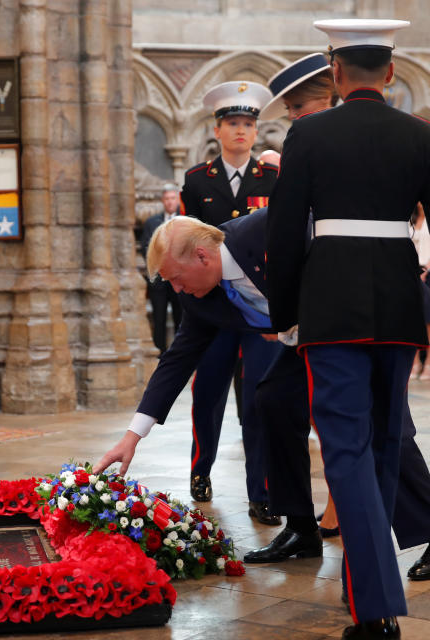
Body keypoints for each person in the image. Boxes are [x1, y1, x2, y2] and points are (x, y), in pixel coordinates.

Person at [265, 19, 430, 639]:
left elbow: (284, 235)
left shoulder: (308, 134)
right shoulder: (424, 137)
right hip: (398, 306)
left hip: (330, 308)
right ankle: (370, 588)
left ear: (335, 73)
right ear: (390, 73)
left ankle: (375, 606)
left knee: (346, 452)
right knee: (383, 444)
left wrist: (284, 315)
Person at [92, 213, 283, 524]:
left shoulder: (264, 229)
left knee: (272, 407)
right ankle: (301, 530)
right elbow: (176, 361)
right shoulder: (197, 298)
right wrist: (132, 437)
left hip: (332, 331)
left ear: (202, 255)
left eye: (177, 278)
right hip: (293, 339)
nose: (177, 290)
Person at [177, 81, 281, 521]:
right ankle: (201, 468)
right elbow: (184, 245)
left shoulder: (272, 177)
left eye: (248, 124)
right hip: (216, 308)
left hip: (259, 309)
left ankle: (261, 491)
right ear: (217, 129)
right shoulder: (198, 180)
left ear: (256, 131)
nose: (241, 131)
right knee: (209, 393)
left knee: (258, 399)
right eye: (232, 123)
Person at [140, 185, 183, 353]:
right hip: (158, 279)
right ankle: (160, 353)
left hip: (181, 279)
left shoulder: (185, 219)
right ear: (162, 201)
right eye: (167, 199)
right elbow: (145, 246)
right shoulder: (152, 222)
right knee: (159, 318)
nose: (170, 202)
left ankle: (181, 353)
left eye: (173, 198)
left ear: (177, 200)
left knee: (181, 318)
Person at [410, 203, 430, 381]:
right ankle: (415, 362)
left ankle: (429, 362)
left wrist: (426, 271)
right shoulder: (409, 218)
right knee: (412, 318)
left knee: (429, 319)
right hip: (412, 271)